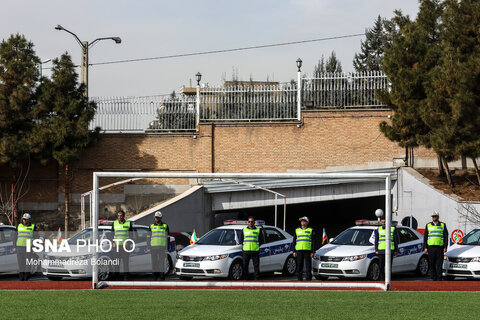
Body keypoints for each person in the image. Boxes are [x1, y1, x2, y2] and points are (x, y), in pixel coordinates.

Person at [424, 211, 448, 281]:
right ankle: (433, 278)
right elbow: (425, 236)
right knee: (432, 263)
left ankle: (439, 278)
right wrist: (425, 247)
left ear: (438, 217)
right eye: (433, 216)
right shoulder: (428, 225)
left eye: (435, 216)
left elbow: (445, 236)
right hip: (431, 247)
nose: (434, 218)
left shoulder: (443, 225)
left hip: (440, 247)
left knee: (439, 264)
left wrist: (445, 247)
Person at [13, 213, 37, 281]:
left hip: (28, 248)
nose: (24, 220)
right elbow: (15, 237)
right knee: (21, 263)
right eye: (23, 219)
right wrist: (14, 246)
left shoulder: (33, 227)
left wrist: (35, 248)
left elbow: (36, 238)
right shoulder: (19, 226)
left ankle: (26, 277)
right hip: (19, 247)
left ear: (29, 220)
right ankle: (21, 277)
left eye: (26, 219)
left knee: (27, 264)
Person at [374, 216, 399, 281]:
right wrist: (376, 250)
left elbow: (396, 240)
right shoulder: (378, 229)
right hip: (381, 251)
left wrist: (396, 250)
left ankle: (388, 279)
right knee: (381, 266)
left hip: (390, 250)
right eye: (382, 222)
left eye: (384, 222)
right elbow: (376, 240)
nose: (383, 223)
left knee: (388, 266)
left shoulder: (393, 228)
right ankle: (382, 279)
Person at [111, 210, 133, 280]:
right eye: (118, 216)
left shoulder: (128, 224)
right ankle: (116, 278)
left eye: (121, 216)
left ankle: (126, 277)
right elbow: (111, 234)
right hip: (117, 247)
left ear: (124, 216)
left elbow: (132, 235)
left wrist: (128, 242)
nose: (119, 217)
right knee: (116, 263)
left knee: (125, 263)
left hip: (125, 247)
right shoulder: (114, 223)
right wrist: (113, 242)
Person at [148, 211, 169, 281]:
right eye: (156, 217)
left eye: (158, 217)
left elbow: (167, 237)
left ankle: (162, 277)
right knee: (154, 263)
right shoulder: (151, 226)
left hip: (162, 247)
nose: (157, 219)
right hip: (153, 247)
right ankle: (155, 277)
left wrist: (167, 247)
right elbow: (148, 237)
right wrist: (148, 247)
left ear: (161, 218)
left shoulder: (165, 226)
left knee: (161, 263)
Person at [292, 216, 314, 281]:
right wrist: (293, 251)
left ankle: (308, 279)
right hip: (299, 250)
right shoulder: (296, 230)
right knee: (299, 265)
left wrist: (312, 252)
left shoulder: (311, 230)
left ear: (307, 222)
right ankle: (299, 279)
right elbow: (294, 241)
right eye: (301, 221)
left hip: (308, 250)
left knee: (308, 266)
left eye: (304, 221)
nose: (302, 222)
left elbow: (313, 241)